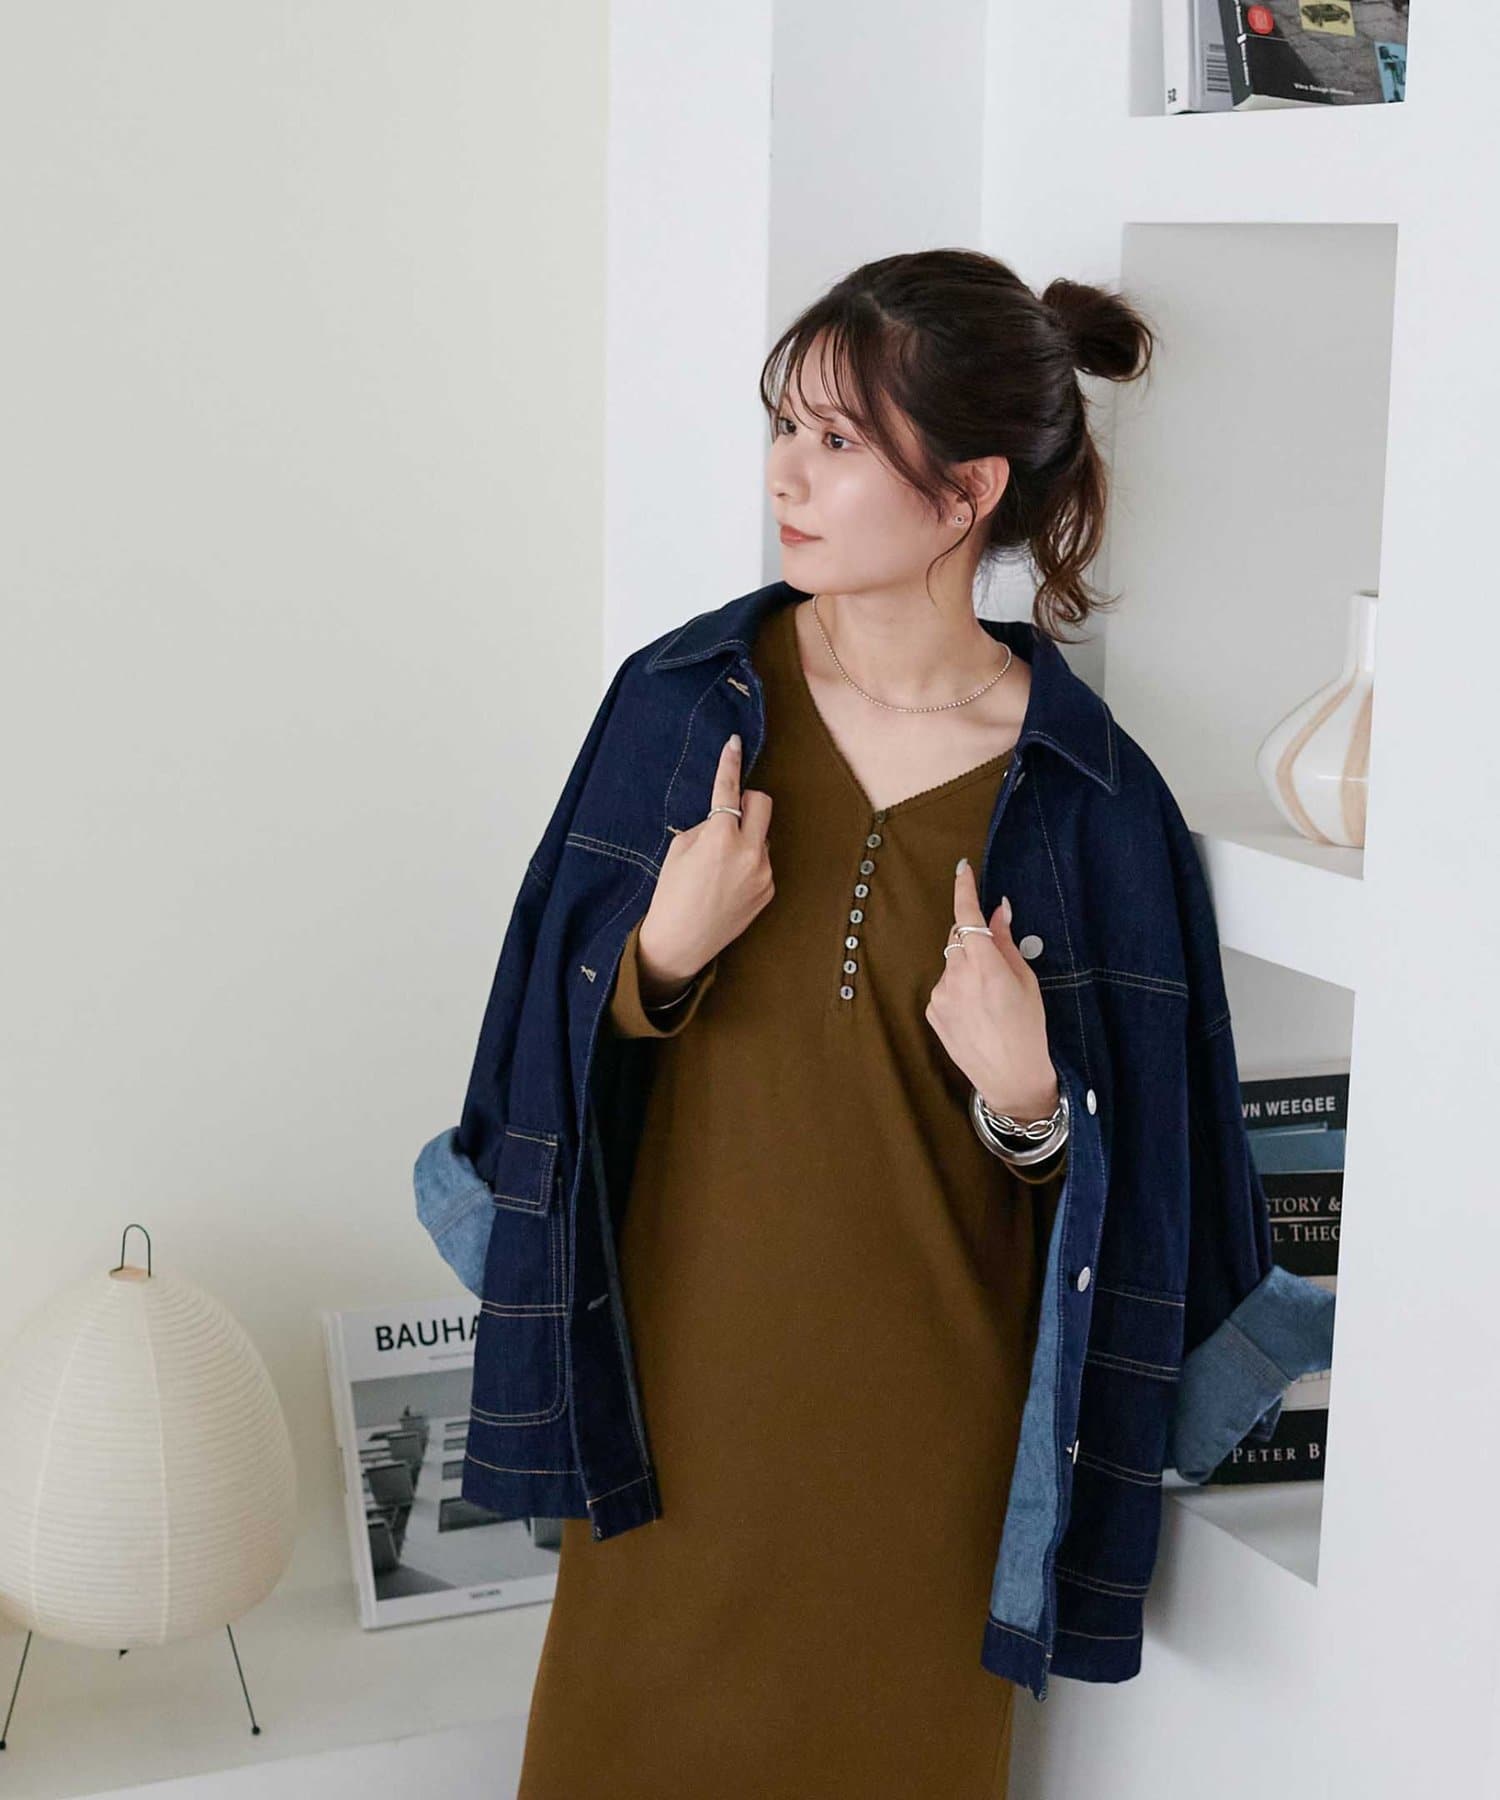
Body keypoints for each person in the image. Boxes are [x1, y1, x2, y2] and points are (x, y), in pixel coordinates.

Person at [512, 249, 1159, 1798]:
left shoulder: (1090, 796)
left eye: (837, 439)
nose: (783, 476)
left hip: (929, 1455)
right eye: (784, 427)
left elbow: (1140, 1205)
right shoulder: (679, 701)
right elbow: (532, 1065)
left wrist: (1031, 1099)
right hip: (668, 1415)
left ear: (967, 493)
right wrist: (660, 957)